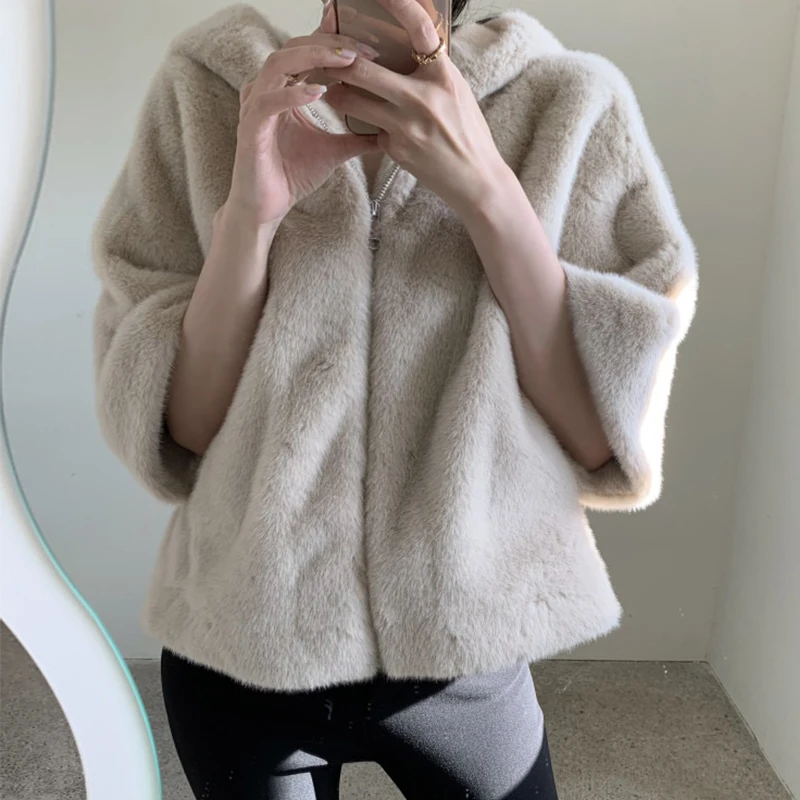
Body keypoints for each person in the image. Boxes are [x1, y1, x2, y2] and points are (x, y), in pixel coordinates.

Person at [91, 0, 698, 797]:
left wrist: (488, 190)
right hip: (244, 644)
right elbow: (184, 430)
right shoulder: (206, 90)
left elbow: (601, 439)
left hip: (466, 655)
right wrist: (250, 219)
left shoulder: (569, 103)